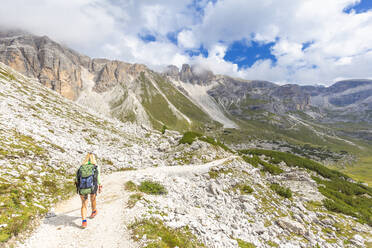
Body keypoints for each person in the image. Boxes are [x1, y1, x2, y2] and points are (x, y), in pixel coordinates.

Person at [75, 152, 102, 228]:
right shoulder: (95, 167)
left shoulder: (81, 167)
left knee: (84, 204)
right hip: (92, 187)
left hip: (82, 187)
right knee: (93, 199)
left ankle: (84, 222)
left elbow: (76, 179)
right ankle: (93, 211)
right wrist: (100, 185)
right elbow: (98, 177)